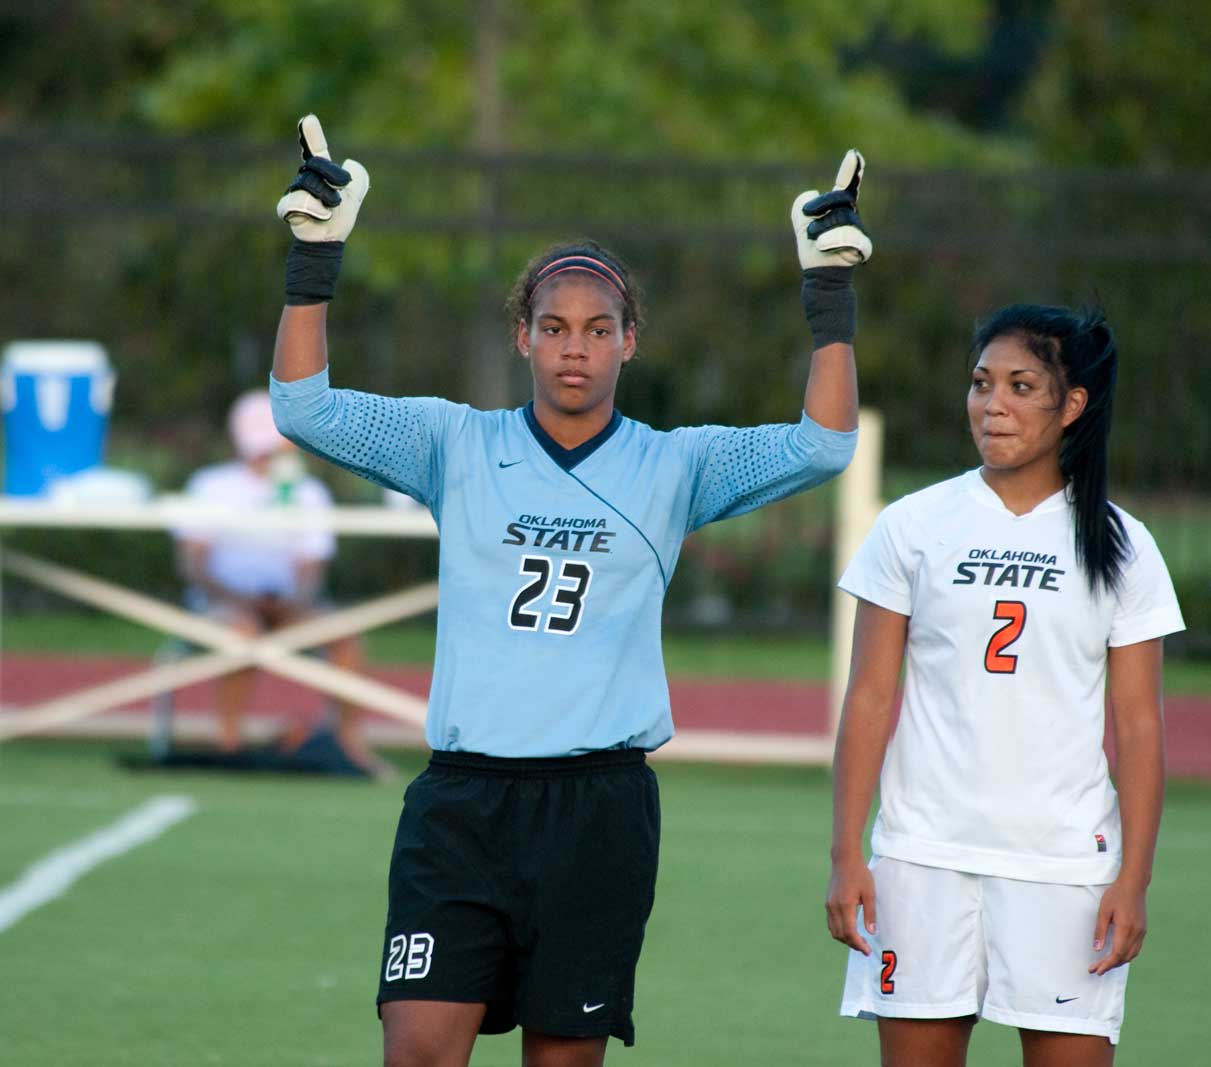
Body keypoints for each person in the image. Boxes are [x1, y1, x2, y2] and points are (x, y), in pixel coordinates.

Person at [268, 115, 869, 1067]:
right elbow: (303, 407)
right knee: (417, 1049)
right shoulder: (455, 444)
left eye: (597, 329)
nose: (574, 348)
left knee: (563, 1059)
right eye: (553, 327)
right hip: (461, 801)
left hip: (598, 806)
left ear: (631, 342)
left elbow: (823, 444)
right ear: (523, 337)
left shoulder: (675, 465)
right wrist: (314, 260)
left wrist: (827, 291)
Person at [825, 303, 1183, 1067]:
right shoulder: (913, 524)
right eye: (981, 382)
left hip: (1065, 868)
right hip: (923, 858)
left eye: (1021, 386)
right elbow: (870, 698)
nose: (993, 404)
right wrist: (846, 851)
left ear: (1073, 404)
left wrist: (1135, 878)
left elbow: (1139, 726)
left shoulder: (1123, 543)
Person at [172, 388, 373, 768]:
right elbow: (193, 565)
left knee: (344, 635)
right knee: (241, 631)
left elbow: (310, 567)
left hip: (291, 606)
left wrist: (294, 602)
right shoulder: (210, 486)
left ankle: (349, 746)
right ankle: (229, 746)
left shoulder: (308, 493)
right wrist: (237, 600)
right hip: (221, 606)